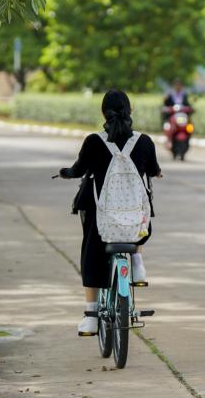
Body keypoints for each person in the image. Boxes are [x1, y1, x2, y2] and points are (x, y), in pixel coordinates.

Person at [59, 89, 162, 336]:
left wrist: (65, 172)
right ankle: (137, 261)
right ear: (130, 111)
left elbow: (78, 169)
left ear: (103, 112)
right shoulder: (144, 142)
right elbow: (154, 169)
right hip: (136, 224)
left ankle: (91, 316)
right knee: (139, 217)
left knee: (91, 252)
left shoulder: (94, 141)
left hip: (100, 218)